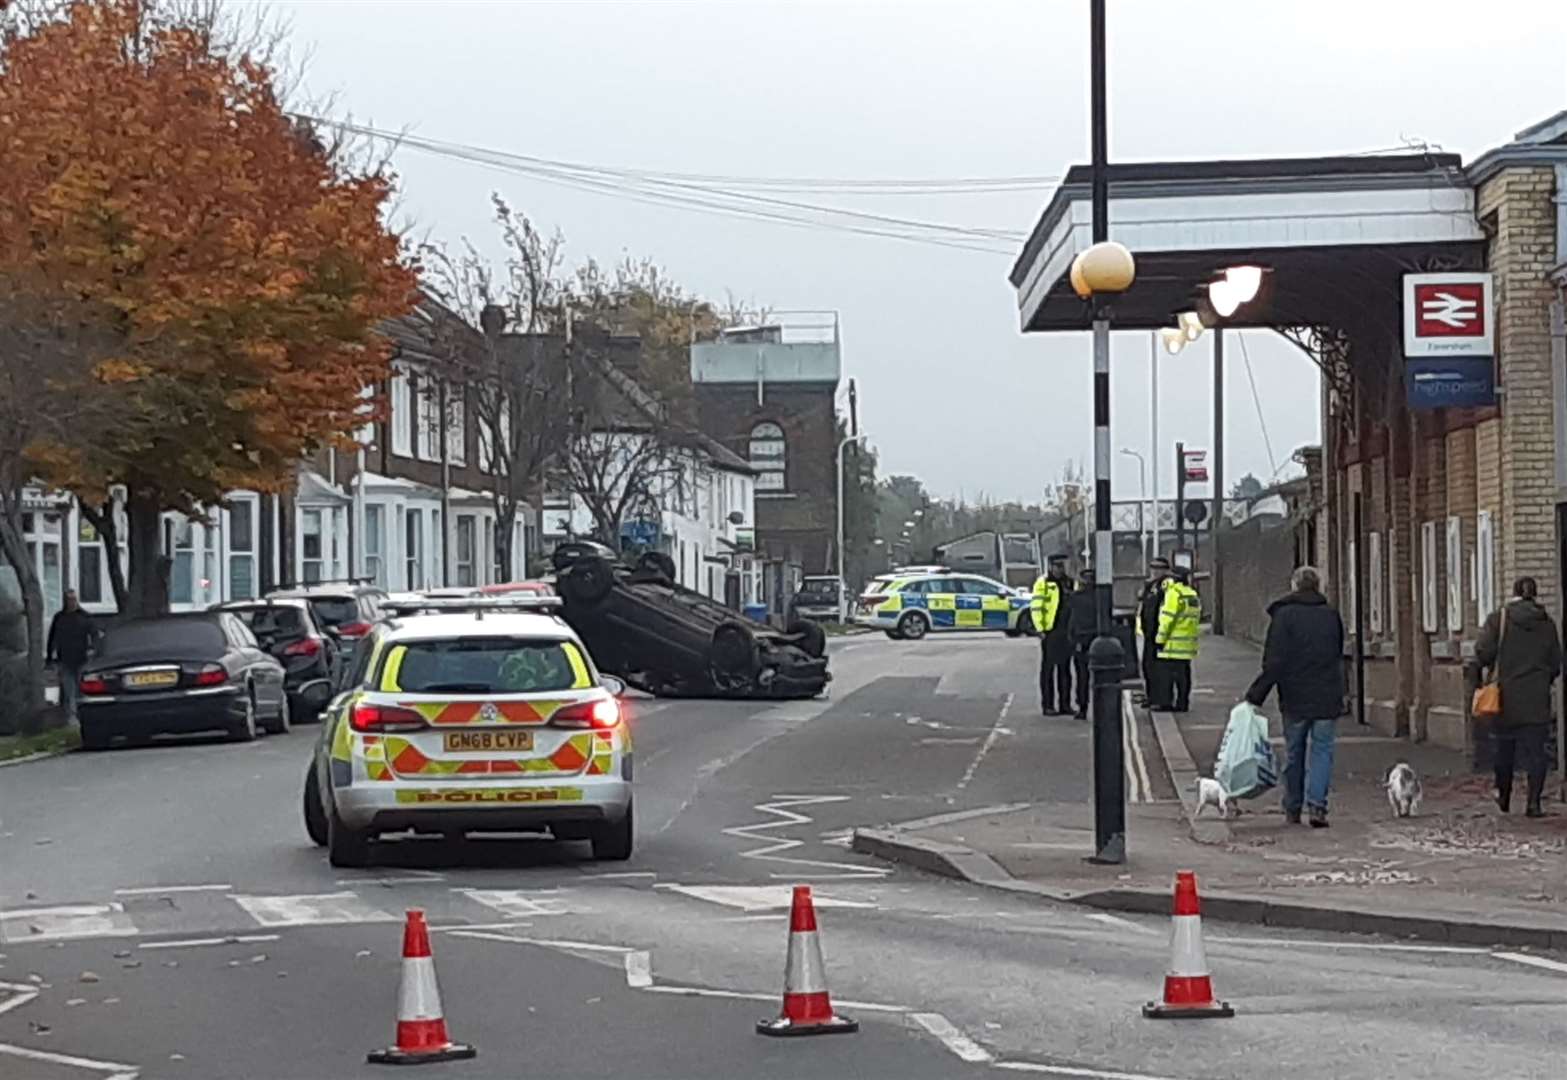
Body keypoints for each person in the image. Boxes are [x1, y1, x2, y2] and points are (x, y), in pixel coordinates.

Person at [1244, 565, 1346, 828]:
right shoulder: (1331, 615)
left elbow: (1275, 662)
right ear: (1318, 585)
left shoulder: (1284, 616)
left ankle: (1293, 807)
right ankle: (1318, 807)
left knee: (1294, 753)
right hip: (1327, 694)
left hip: (1295, 696)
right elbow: (1337, 654)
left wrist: (1257, 694)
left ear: (1294, 585)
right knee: (1323, 751)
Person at [1470, 576, 1562, 818]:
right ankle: (1533, 803)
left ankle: (1504, 795)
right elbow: (1556, 663)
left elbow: (1483, 653)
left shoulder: (1499, 619)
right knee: (1536, 753)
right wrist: (1542, 680)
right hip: (1536, 698)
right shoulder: (1548, 624)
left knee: (1504, 749)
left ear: (1514, 593)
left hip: (1505, 697)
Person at [1153, 565, 1201, 713]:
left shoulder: (1174, 593)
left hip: (1172, 644)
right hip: (1187, 644)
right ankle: (1182, 703)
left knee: (1166, 677)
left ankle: (1166, 703)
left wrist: (1160, 640)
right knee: (1184, 676)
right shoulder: (1191, 594)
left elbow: (1168, 618)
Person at [1031, 554, 1074, 715]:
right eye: (1057, 566)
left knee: (1065, 670)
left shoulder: (1069, 582)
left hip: (1066, 631)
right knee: (1048, 669)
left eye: (1062, 566)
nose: (1060, 569)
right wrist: (1040, 628)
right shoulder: (1043, 583)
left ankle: (1065, 704)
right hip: (1050, 630)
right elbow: (1036, 607)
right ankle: (1048, 705)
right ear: (1051, 567)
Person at [46, 589, 96, 720]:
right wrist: (50, 658)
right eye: (69, 600)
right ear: (65, 601)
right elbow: (52, 639)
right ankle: (72, 719)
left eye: (74, 599)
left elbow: (94, 636)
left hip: (82, 660)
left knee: (82, 690)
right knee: (69, 692)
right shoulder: (59, 618)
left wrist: (93, 652)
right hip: (65, 660)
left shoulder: (84, 617)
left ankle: (83, 716)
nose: (72, 602)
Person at [1065, 567, 1098, 719]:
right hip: (1097, 639)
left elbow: (1071, 620)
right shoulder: (1101, 596)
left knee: (1082, 676)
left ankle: (1083, 707)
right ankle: (1100, 706)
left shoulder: (1075, 597)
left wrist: (1072, 638)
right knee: (1100, 676)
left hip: (1081, 640)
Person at [1137, 557, 1171, 700]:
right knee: (1148, 667)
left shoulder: (1167, 586)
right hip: (1149, 633)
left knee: (1160, 671)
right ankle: (1151, 697)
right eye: (1153, 569)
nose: (1155, 572)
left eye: (1159, 569)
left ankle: (1160, 698)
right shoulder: (1150, 586)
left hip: (1160, 634)